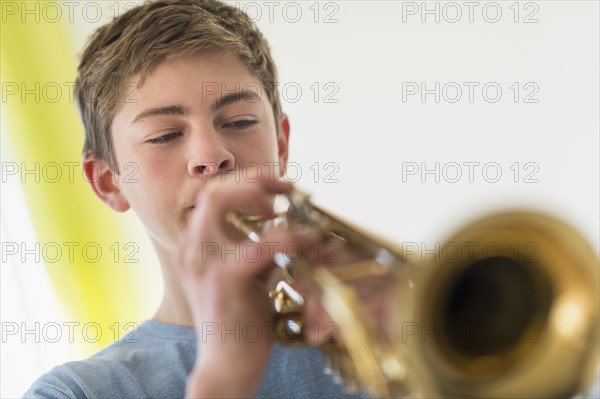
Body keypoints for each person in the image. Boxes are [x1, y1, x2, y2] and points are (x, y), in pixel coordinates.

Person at [24, 0, 367, 398]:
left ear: (281, 146)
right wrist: (226, 373)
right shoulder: (75, 391)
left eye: (239, 122)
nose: (211, 156)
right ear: (109, 183)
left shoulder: (374, 334)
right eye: (165, 136)